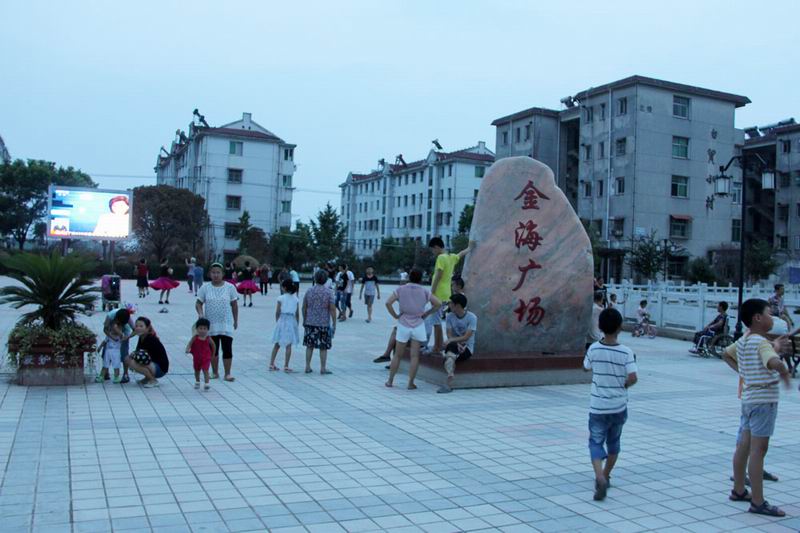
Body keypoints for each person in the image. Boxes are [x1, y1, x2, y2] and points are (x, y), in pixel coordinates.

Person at [722, 298, 792, 517]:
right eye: (769, 314)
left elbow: (726, 354)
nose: (773, 318)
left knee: (743, 446)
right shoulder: (761, 343)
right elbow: (773, 362)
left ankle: (739, 490)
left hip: (749, 399)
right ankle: (758, 502)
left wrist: (744, 373)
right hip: (764, 402)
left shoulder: (744, 339)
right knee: (758, 451)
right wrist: (784, 372)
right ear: (758, 318)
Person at [583, 308, 638, 501]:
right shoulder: (626, 352)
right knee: (614, 442)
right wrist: (624, 385)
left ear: (599, 327)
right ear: (620, 328)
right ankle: (606, 475)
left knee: (595, 442)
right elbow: (633, 377)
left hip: (598, 406)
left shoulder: (593, 349)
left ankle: (599, 476)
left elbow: (586, 367)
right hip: (618, 406)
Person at [384, 268, 441, 390]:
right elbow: (438, 303)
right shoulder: (424, 291)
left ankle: (390, 381)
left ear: (409, 277)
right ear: (421, 278)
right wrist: (427, 313)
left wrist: (395, 315)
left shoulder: (401, 289)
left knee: (397, 355)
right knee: (414, 356)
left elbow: (388, 303)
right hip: (418, 324)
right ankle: (410, 383)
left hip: (403, 323)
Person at [425, 238, 474, 354]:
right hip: (446, 294)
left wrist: (431, 293)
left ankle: (437, 347)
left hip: (438, 293)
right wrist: (469, 248)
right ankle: (439, 345)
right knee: (436, 320)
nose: (433, 252)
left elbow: (438, 275)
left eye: (433, 249)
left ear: (437, 247)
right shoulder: (450, 257)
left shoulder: (441, 258)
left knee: (436, 322)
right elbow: (460, 254)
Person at [196, 263, 239, 382]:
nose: (215, 275)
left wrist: (235, 320)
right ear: (209, 274)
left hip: (226, 324)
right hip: (211, 326)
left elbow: (234, 305)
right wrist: (200, 314)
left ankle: (227, 373)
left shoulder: (230, 287)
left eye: (218, 272)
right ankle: (215, 372)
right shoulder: (205, 287)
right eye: (213, 272)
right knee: (212, 349)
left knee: (227, 349)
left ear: (223, 274)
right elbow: (198, 303)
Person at [437, 293, 477, 394]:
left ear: (458, 305)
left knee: (450, 355)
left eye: (451, 303)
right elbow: (449, 334)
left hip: (467, 348)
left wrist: (454, 342)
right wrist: (456, 343)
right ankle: (449, 380)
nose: (449, 305)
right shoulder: (449, 316)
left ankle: (449, 381)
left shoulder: (472, 317)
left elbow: (467, 337)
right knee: (452, 350)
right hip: (454, 346)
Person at [302, 270, 337, 374]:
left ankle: (307, 366)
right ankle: (323, 368)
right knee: (323, 346)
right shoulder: (329, 292)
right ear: (326, 279)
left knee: (309, 345)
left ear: (315, 278)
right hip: (323, 323)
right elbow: (332, 309)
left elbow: (304, 307)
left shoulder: (309, 291)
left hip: (310, 322)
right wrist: (334, 322)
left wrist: (304, 319)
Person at [125, 316, 169, 388]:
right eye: (136, 326)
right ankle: (147, 378)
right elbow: (139, 352)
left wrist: (132, 360)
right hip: (152, 364)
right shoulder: (142, 337)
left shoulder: (150, 339)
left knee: (132, 362)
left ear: (147, 328)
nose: (138, 328)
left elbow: (142, 355)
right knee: (129, 359)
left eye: (141, 326)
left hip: (160, 369)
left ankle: (153, 380)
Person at [270, 279, 300, 372]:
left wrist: (277, 321)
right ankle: (286, 365)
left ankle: (271, 363)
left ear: (285, 288)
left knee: (277, 343)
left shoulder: (280, 298)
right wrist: (297, 323)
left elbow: (277, 311)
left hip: (282, 320)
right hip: (291, 320)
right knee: (289, 344)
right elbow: (297, 313)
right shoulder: (296, 299)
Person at [102, 306, 135, 383]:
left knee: (124, 354)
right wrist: (112, 337)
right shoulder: (110, 316)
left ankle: (125, 374)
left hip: (124, 335)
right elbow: (105, 329)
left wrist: (127, 337)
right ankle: (106, 372)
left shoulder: (128, 317)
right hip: (111, 334)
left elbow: (135, 330)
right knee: (106, 353)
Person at [186, 318, 215, 391]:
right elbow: (190, 343)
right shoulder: (195, 337)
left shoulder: (208, 338)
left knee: (205, 370)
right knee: (197, 370)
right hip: (197, 357)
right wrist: (187, 348)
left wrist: (213, 354)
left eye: (205, 328)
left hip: (206, 357)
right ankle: (197, 381)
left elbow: (213, 345)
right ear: (197, 329)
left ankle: (207, 383)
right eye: (200, 328)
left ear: (208, 329)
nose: (202, 330)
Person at [96, 316, 124, 383]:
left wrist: (120, 334)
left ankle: (116, 377)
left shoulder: (120, 336)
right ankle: (101, 376)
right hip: (108, 351)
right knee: (105, 364)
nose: (114, 330)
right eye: (113, 328)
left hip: (116, 352)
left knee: (116, 365)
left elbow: (122, 337)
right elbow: (104, 342)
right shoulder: (109, 335)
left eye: (117, 328)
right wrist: (100, 347)